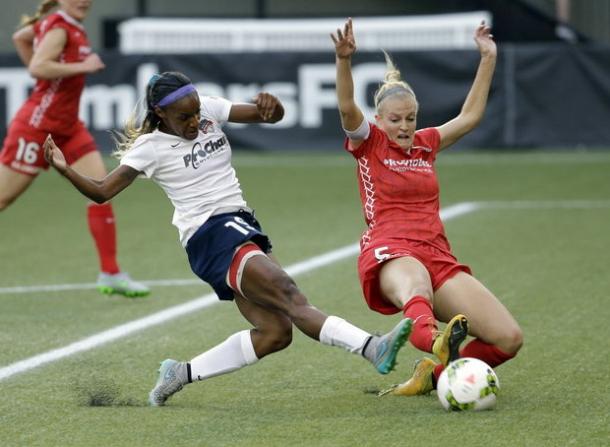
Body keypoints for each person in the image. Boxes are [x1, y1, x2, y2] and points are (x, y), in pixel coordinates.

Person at [43, 70, 414, 406]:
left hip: (238, 224)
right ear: (160, 113)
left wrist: (273, 107)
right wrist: (63, 169)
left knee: (275, 333)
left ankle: (180, 373)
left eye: (195, 113)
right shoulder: (150, 148)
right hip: (210, 234)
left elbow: (267, 116)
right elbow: (102, 191)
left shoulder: (208, 110)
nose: (194, 122)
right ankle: (372, 347)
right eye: (183, 117)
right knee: (289, 293)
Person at [331, 18, 523, 396]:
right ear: (379, 119)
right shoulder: (368, 142)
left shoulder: (426, 143)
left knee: (508, 338)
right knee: (415, 282)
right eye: (395, 119)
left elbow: (469, 118)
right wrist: (343, 61)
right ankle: (434, 339)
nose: (404, 127)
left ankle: (433, 377)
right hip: (390, 250)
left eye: (410, 118)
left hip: (437, 254)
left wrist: (487, 58)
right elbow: (345, 106)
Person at [0, 0, 149, 297]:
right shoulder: (59, 26)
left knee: (101, 191)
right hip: (37, 127)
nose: (83, 1)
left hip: (69, 128)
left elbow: (21, 38)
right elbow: (39, 66)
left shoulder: (66, 24)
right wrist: (84, 65)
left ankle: (111, 272)